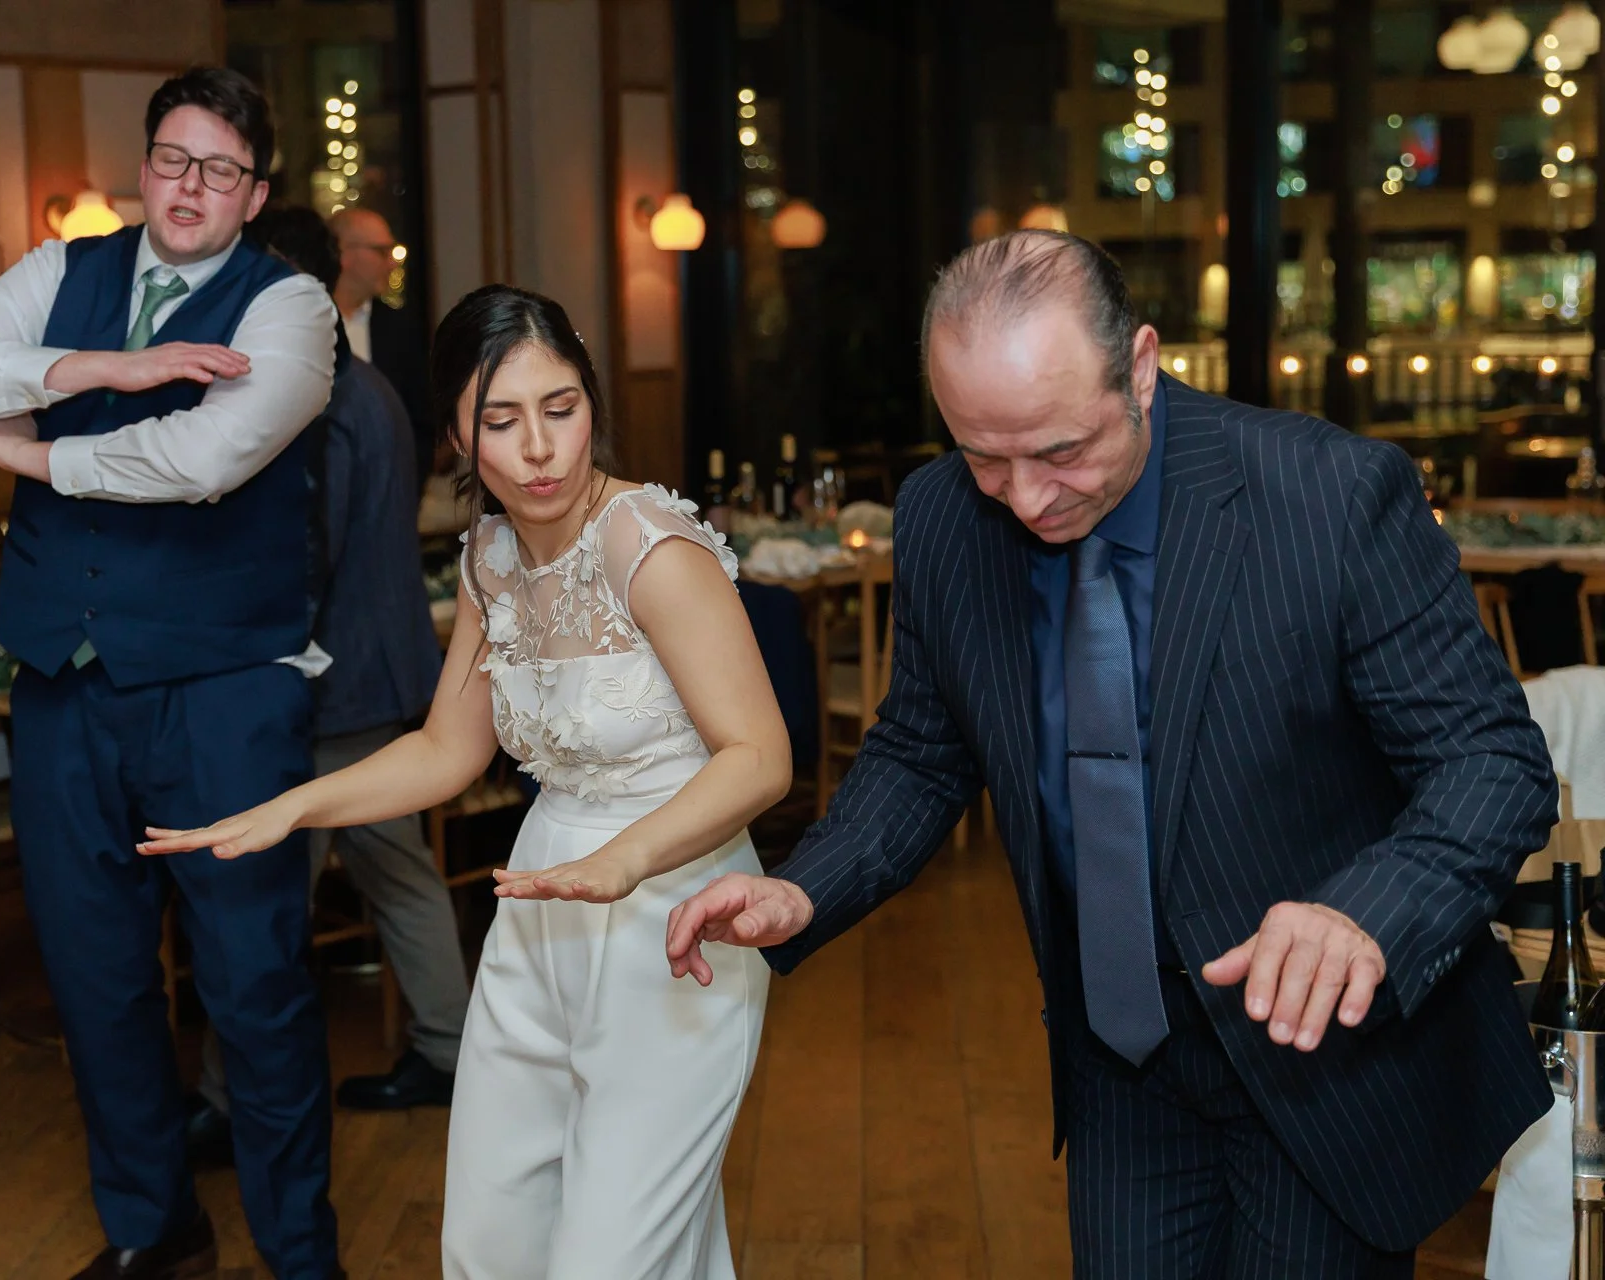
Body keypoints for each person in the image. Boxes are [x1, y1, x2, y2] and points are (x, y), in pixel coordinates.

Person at [666, 230, 1559, 1278]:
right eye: (985, 457)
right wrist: (804, 889)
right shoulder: (946, 519)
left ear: (1139, 365)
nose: (1029, 498)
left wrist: (1367, 911)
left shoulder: (1326, 494)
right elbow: (921, 747)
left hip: (1320, 1053)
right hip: (1119, 1058)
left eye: (1061, 451)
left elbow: (1493, 761)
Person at [142, 284, 791, 1278]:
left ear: (592, 406)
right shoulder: (493, 558)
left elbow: (761, 754)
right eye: (501, 419)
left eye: (560, 409)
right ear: (454, 431)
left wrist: (625, 859)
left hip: (677, 918)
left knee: (614, 1258)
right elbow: (449, 747)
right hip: (538, 917)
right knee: (494, 1239)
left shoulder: (650, 548)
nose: (539, 449)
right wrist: (295, 803)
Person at [0, 67, 344, 1280]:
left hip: (222, 689)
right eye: (172, 160)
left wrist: (37, 460)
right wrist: (92, 369)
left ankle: (302, 1253)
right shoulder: (71, 272)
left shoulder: (291, 308)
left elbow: (209, 457)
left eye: (221, 170)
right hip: (61, 680)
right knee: (95, 976)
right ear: (145, 165)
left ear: (257, 190)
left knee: (256, 987)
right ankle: (154, 1229)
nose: (191, 188)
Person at [184, 205, 462, 1161]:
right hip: (377, 672)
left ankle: (233, 1102)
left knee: (259, 899)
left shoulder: (325, 398)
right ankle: (447, 1048)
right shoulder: (368, 384)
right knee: (396, 879)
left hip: (334, 687)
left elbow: (312, 557)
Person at [330, 208, 435, 486]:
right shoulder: (304, 323)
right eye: (381, 251)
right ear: (344, 254)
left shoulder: (402, 329)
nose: (391, 263)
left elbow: (423, 424)